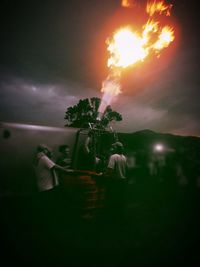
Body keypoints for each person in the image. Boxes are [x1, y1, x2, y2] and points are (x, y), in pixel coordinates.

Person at [105, 141, 127, 221]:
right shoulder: (124, 157)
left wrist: (104, 174)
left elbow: (110, 170)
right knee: (120, 200)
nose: (112, 148)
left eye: (114, 147)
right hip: (123, 181)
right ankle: (121, 217)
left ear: (117, 148)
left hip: (115, 182)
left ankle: (112, 218)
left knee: (113, 200)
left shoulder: (113, 157)